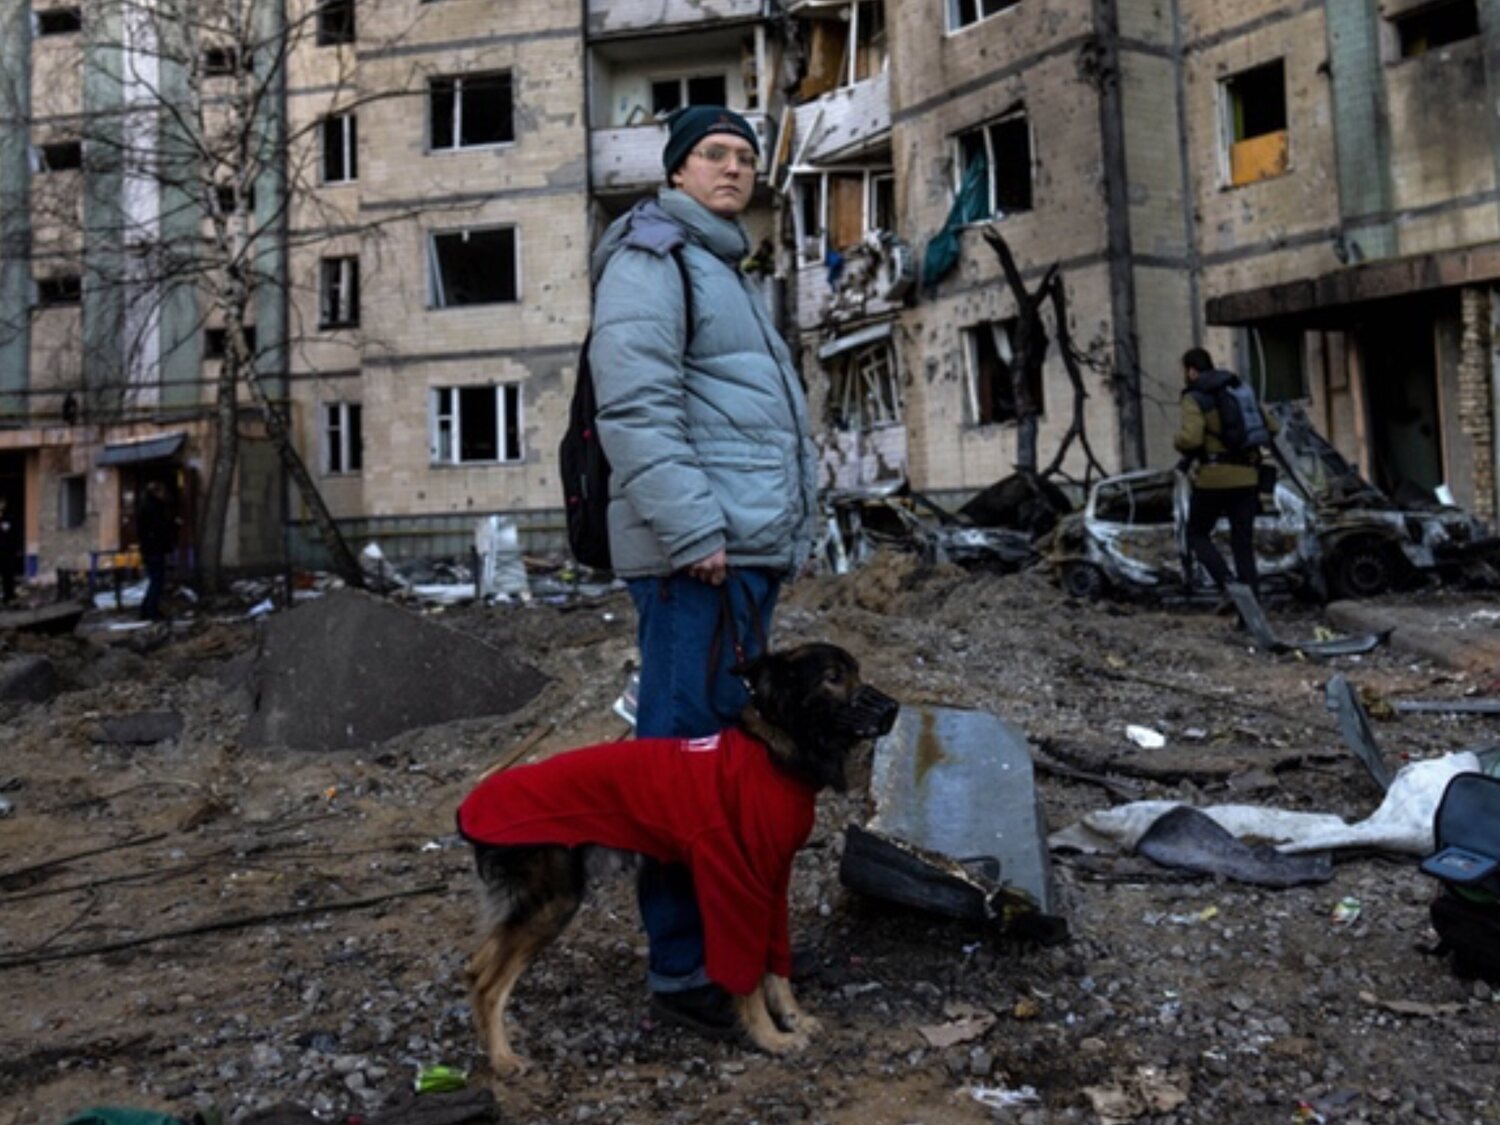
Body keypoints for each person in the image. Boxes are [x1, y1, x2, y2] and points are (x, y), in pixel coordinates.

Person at [587, 105, 818, 1038]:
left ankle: (723, 956)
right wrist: (691, 531)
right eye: (715, 155)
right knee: (686, 770)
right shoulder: (655, 255)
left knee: (726, 771)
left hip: (739, 551)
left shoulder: (717, 264)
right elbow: (634, 402)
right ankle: (684, 973)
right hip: (701, 561)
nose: (735, 169)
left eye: (746, 158)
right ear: (678, 169)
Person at [1174, 347, 1279, 598]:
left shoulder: (1194, 396)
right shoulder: (1238, 389)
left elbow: (1191, 438)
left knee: (1197, 534)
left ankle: (1229, 585)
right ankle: (1250, 613)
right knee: (1243, 545)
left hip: (1213, 479)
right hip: (1248, 479)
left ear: (1191, 371)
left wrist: (1177, 439)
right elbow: (1272, 427)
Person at [136, 480, 176, 621]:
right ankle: (151, 611)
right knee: (157, 581)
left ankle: (146, 609)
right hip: (154, 550)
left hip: (150, 550)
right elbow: (160, 530)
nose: (164, 495)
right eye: (162, 491)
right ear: (156, 492)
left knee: (155, 580)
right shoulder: (155, 508)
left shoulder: (146, 506)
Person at [0, 497, 18, 605]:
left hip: (8, 551)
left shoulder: (9, 518)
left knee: (9, 573)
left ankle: (9, 595)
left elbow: (13, 534)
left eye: (2, 503)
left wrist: (15, 549)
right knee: (3, 574)